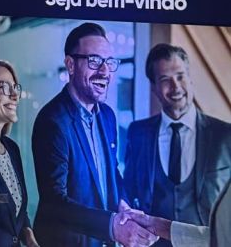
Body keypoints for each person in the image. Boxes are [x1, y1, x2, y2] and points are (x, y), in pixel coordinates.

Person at [32, 22, 157, 247]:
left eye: (109, 62)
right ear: (70, 65)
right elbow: (54, 202)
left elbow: (112, 171)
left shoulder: (107, 115)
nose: (105, 71)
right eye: (95, 61)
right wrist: (111, 226)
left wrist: (123, 205)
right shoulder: (52, 121)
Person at [123, 44, 231, 247]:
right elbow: (127, 194)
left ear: (190, 78)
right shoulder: (138, 134)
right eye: (165, 79)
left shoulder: (226, 135)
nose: (175, 87)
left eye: (180, 76)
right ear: (153, 87)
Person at [0, 60, 40, 247]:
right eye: (2, 86)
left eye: (15, 87)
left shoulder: (12, 149)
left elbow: (17, 207)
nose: (14, 95)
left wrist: (27, 233)